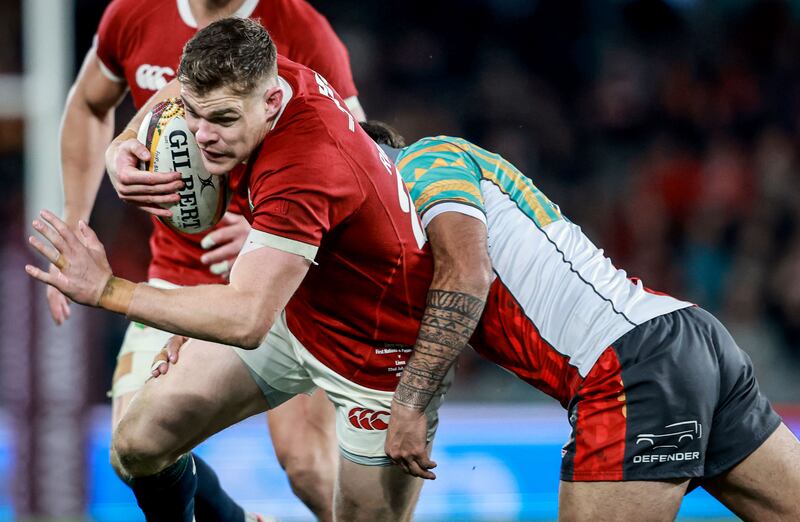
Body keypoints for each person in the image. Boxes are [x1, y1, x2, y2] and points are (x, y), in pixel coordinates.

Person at [27, 18, 448, 522]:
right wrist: (124, 142)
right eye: (196, 116)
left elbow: (246, 321)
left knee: (317, 480)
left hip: (373, 347)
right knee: (138, 445)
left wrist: (107, 289)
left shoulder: (306, 160)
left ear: (271, 104)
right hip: (296, 303)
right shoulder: (260, 72)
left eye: (223, 120)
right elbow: (172, 94)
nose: (202, 138)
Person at [358, 121, 800, 521]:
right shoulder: (415, 236)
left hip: (627, 365)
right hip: (682, 338)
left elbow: (469, 276)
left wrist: (410, 405)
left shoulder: (423, 160)